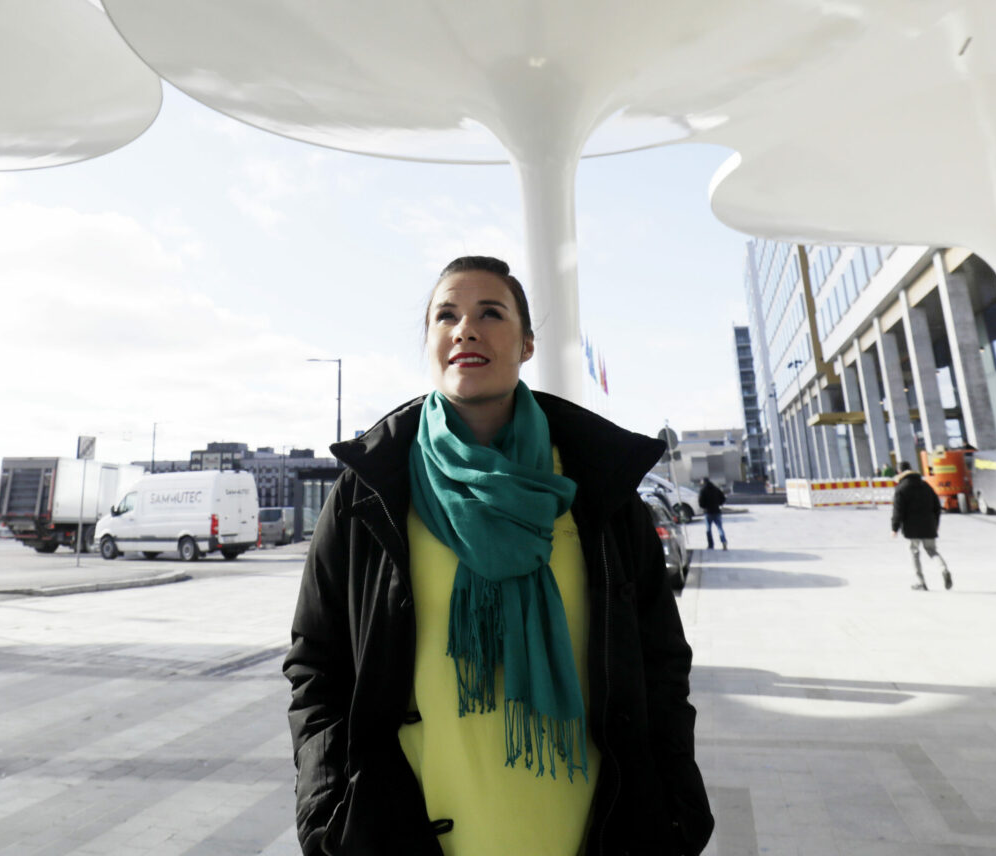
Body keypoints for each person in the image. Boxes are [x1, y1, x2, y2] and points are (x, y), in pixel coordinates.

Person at [285, 255, 713, 856]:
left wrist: (674, 810)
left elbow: (660, 662)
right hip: (409, 835)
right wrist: (327, 809)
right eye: (446, 316)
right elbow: (317, 664)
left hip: (588, 830)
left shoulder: (599, 487)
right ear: (430, 343)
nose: (466, 329)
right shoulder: (370, 491)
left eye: (490, 313)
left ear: (528, 343)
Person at [891, 461, 952, 590]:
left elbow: (898, 510)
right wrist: (936, 523)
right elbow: (937, 506)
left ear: (899, 472)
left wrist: (894, 528)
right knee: (932, 550)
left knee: (914, 552)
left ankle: (921, 582)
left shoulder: (901, 488)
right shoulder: (925, 485)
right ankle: (943, 569)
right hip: (929, 524)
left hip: (911, 527)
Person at [697, 479, 727, 551]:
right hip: (717, 511)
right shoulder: (716, 489)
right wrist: (719, 503)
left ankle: (711, 545)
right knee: (720, 528)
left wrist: (704, 507)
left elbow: (700, 502)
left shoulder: (703, 490)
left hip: (708, 512)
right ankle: (724, 542)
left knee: (708, 529)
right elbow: (723, 498)